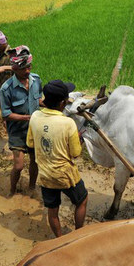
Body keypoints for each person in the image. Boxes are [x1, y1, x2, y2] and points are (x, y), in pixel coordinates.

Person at [26, 80, 88, 238]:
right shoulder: (68, 123)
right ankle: (78, 234)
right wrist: (78, 138)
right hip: (65, 174)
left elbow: (30, 143)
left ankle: (59, 240)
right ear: (62, 103)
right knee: (82, 199)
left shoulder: (34, 117)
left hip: (45, 175)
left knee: (52, 210)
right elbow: (75, 153)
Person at [0, 46, 41, 195]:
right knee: (18, 166)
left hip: (35, 130)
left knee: (35, 161)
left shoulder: (36, 80)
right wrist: (27, 117)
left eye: (29, 67)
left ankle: (31, 186)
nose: (27, 71)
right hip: (17, 131)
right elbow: (5, 114)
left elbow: (39, 100)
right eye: (23, 69)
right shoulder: (6, 89)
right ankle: (12, 189)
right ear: (14, 69)